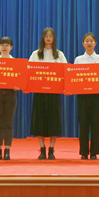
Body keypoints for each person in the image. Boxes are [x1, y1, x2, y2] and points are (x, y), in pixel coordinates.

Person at [29, 28, 67, 159]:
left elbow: (66, 72)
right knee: (39, 121)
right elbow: (29, 72)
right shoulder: (36, 54)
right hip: (40, 93)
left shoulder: (59, 55)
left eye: (51, 36)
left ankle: (51, 149)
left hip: (54, 93)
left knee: (53, 121)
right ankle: (42, 149)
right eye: (46, 36)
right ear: (43, 38)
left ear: (54, 38)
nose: (48, 38)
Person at [73, 32, 99, 160]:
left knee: (95, 124)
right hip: (82, 96)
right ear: (83, 43)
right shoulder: (78, 60)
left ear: (95, 43)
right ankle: (83, 152)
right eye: (86, 41)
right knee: (83, 124)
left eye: (91, 41)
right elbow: (75, 78)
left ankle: (94, 152)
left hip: (96, 96)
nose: (89, 43)